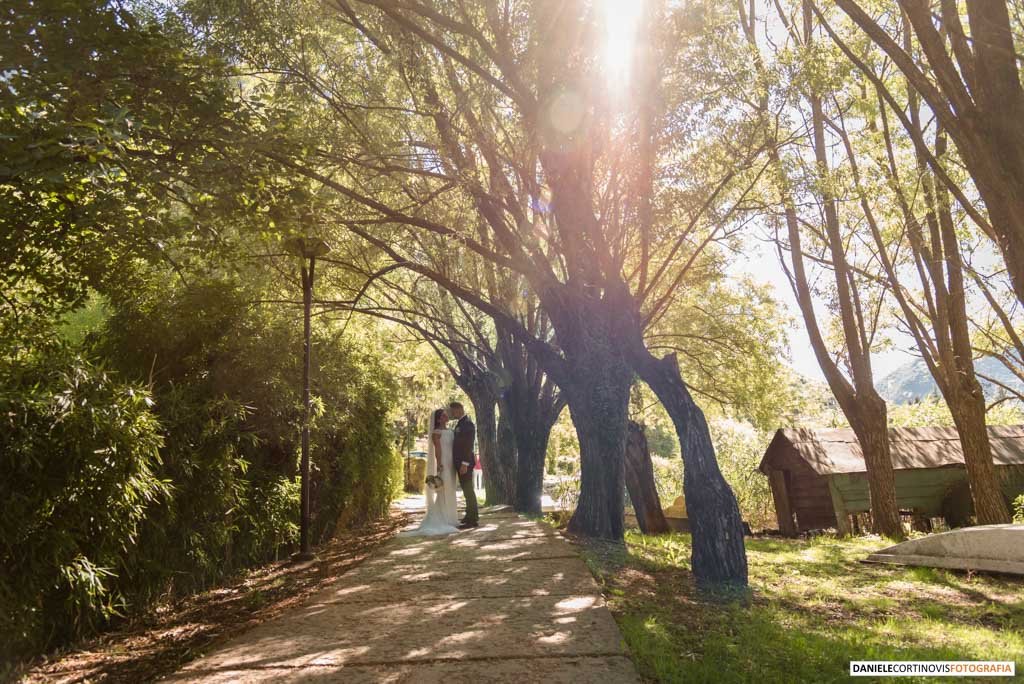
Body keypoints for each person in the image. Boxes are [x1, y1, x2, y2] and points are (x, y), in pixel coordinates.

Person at [403, 408, 459, 536]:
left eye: (446, 415)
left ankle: (451, 516)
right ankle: (443, 517)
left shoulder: (450, 431)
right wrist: (439, 463)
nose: (446, 417)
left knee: (451, 488)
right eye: (444, 415)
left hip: (451, 462)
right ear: (439, 419)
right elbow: (438, 449)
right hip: (444, 462)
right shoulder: (436, 432)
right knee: (443, 490)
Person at [449, 401, 478, 529]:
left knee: (469, 491)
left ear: (460, 409)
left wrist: (465, 463)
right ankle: (469, 516)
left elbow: (468, 445)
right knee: (466, 492)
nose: (452, 413)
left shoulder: (468, 424)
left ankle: (473, 519)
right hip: (460, 463)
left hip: (465, 463)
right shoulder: (460, 424)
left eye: (453, 411)